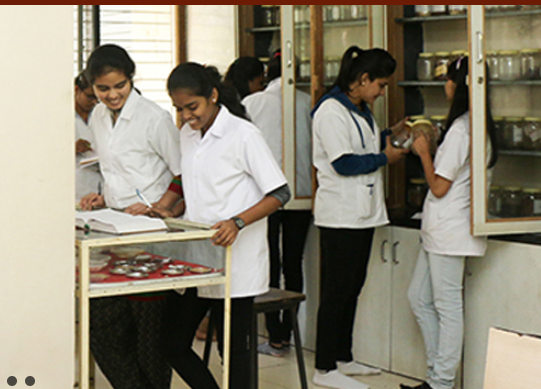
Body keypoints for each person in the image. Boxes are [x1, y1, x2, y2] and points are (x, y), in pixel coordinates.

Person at [152, 62, 289, 389]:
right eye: (179, 109)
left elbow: (280, 193)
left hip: (235, 258)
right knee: (171, 343)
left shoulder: (243, 134)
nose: (186, 116)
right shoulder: (187, 134)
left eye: (192, 107)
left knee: (234, 354)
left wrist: (238, 222)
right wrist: (166, 208)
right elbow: (195, 180)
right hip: (197, 256)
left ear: (213, 96)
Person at [78, 44, 181, 389]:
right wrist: (102, 196)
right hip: (112, 230)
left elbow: (182, 173)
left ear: (131, 79)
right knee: (104, 326)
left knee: (148, 336)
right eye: (102, 88)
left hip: (150, 231)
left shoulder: (155, 118)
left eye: (119, 86)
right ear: (92, 85)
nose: (112, 94)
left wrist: (163, 206)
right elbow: (116, 170)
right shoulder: (96, 117)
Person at [311, 46, 407, 389]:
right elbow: (344, 162)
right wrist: (385, 158)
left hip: (363, 213)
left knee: (353, 287)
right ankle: (324, 369)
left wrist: (388, 134)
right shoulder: (331, 111)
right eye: (380, 85)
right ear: (362, 79)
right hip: (340, 214)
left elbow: (364, 145)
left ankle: (343, 357)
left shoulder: (361, 109)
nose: (382, 92)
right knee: (336, 291)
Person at [401, 56, 497, 389]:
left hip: (450, 230)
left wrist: (425, 153)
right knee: (418, 298)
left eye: (448, 79)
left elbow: (440, 187)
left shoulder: (462, 128)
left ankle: (441, 383)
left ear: (459, 86)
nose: (445, 85)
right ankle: (435, 375)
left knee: (447, 306)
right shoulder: (471, 124)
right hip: (440, 231)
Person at [241, 51, 314, 357]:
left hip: (264, 198)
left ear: (266, 74)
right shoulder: (307, 101)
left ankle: (274, 337)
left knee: (268, 263)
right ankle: (291, 332)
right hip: (301, 194)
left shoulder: (252, 103)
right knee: (294, 264)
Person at [74, 70, 102, 201]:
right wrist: (73, 148)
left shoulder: (100, 113)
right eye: (90, 97)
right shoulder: (61, 115)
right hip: (74, 187)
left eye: (97, 98)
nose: (94, 102)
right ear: (76, 90)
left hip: (99, 189)